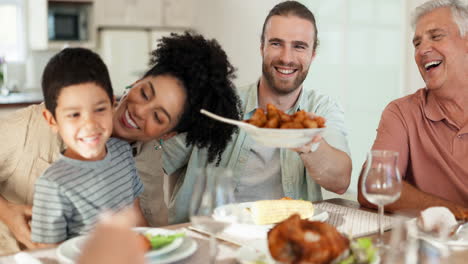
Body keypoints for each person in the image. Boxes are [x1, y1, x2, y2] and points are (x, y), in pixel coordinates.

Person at [0, 32, 242, 254]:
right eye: (145, 93)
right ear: (138, 80)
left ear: (167, 134)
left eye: (158, 117)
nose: (139, 110)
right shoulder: (29, 127)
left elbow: (144, 232)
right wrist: (7, 212)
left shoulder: (146, 159)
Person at [163, 1, 352, 224]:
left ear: (312, 54)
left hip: (285, 242)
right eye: (276, 43)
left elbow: (340, 181)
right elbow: (157, 159)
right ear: (261, 46)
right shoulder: (217, 101)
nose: (286, 58)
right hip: (211, 236)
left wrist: (307, 141)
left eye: (299, 46)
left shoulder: (321, 109)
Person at [358, 0, 468, 220]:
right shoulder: (401, 112)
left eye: (436, 36)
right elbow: (373, 186)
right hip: (430, 247)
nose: (422, 50)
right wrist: (457, 212)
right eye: (417, 43)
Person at [30, 48, 147, 245]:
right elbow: (47, 253)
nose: (90, 125)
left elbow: (138, 221)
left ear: (112, 105)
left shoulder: (123, 152)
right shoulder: (52, 184)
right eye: (74, 115)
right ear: (52, 121)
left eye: (100, 109)